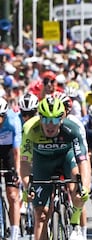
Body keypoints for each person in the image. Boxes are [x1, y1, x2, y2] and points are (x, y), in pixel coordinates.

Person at [20, 97, 90, 240]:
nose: (50, 125)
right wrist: (28, 187)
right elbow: (25, 163)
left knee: (78, 188)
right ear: (39, 118)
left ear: (62, 119)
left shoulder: (72, 129)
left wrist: (85, 187)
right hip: (42, 163)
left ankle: (75, 223)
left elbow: (83, 161)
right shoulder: (30, 129)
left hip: (65, 157)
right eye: (45, 120)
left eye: (54, 120)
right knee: (41, 214)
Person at [0, 97, 22, 240]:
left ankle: (14, 233)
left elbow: (16, 151)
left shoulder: (13, 121)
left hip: (9, 152)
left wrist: (18, 172)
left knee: (12, 194)